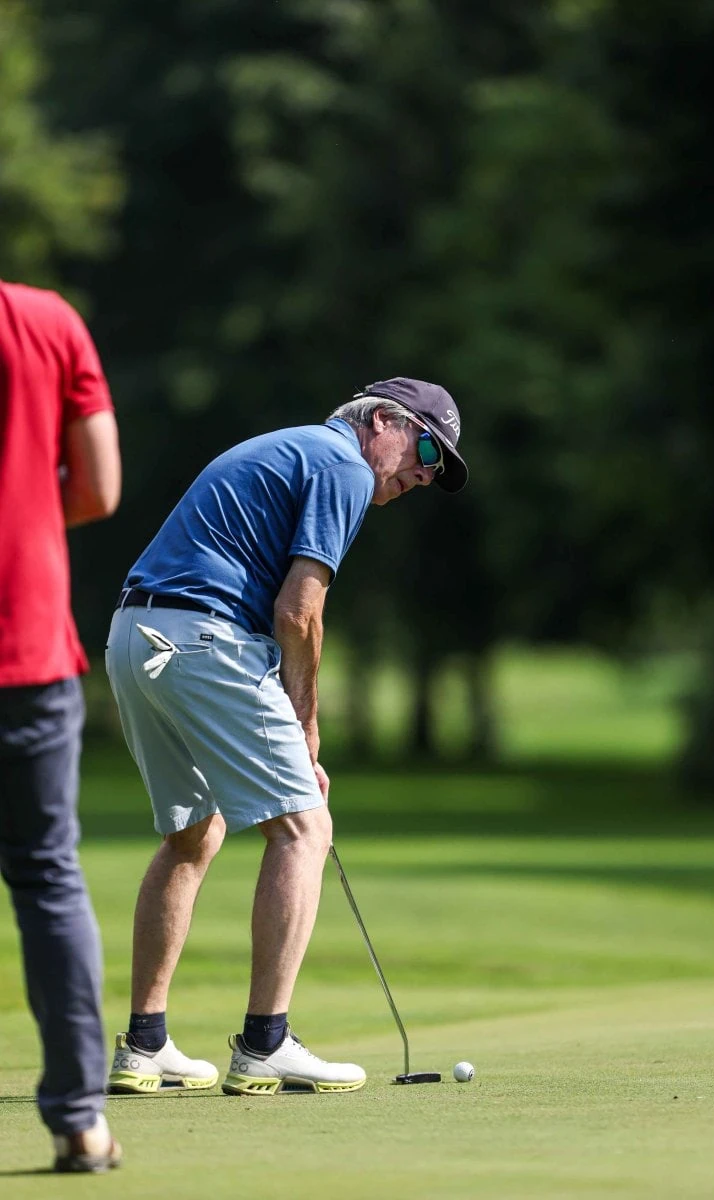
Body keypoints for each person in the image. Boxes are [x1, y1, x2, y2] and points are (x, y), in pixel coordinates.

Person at [104, 377, 468, 1096]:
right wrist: (306, 726)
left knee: (192, 835)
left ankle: (145, 1046)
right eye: (427, 450)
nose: (424, 474)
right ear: (383, 421)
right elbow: (299, 612)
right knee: (305, 828)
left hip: (133, 636)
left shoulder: (295, 450)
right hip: (204, 639)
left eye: (436, 470)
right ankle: (265, 1043)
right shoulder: (343, 466)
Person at [0, 282, 122, 1171]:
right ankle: (80, 1120)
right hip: (30, 646)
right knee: (47, 878)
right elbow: (100, 488)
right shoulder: (48, 323)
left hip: (36, 649)